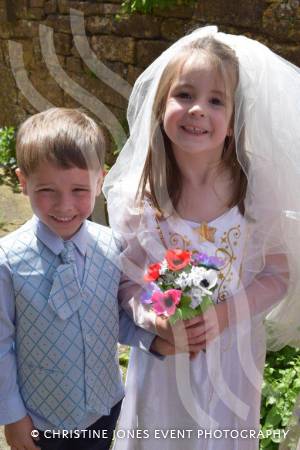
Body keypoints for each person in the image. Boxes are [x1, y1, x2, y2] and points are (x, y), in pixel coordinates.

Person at [103, 26, 300, 449]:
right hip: (165, 355)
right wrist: (150, 318)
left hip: (232, 355)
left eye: (216, 101)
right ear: (160, 107)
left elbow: (277, 275)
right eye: (184, 95)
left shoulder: (255, 187)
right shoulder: (141, 195)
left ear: (233, 121)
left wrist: (224, 316)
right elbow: (127, 281)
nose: (197, 110)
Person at [0, 108, 170, 450]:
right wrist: (12, 415)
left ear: (100, 181)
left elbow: (114, 317)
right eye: (47, 190)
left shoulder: (112, 246)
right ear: (23, 182)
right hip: (41, 417)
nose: (65, 205)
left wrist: (152, 340)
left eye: (79, 189)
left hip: (105, 408)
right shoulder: (7, 261)